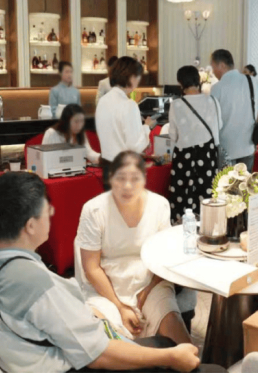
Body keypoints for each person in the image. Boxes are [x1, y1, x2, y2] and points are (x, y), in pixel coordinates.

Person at [0, 171, 202, 372]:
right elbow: (99, 354)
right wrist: (170, 357)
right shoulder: (41, 286)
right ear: (30, 225)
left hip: (29, 358)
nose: (51, 213)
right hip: (75, 366)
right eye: (46, 209)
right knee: (171, 349)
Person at [76, 151, 192, 346]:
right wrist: (120, 306)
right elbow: (91, 268)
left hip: (151, 283)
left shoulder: (159, 205)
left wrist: (148, 291)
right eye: (121, 179)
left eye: (135, 179)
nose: (127, 186)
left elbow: (164, 259)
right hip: (106, 289)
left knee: (182, 341)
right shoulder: (94, 210)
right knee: (106, 345)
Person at [167, 66, 222, 221]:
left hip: (184, 156)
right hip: (207, 154)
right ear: (198, 81)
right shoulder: (212, 101)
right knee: (206, 193)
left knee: (183, 194)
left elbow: (173, 135)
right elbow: (219, 126)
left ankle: (182, 224)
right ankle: (208, 225)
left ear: (181, 83)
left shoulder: (176, 104)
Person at [95, 57, 156, 190]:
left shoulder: (103, 101)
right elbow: (134, 146)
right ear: (131, 77)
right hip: (124, 170)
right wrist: (147, 127)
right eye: (138, 77)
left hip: (107, 167)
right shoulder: (129, 105)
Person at [210, 50, 258, 171]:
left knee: (227, 183)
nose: (213, 71)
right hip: (248, 147)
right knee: (245, 182)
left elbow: (212, 119)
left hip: (226, 149)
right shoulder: (252, 81)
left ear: (222, 65)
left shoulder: (217, 88)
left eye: (213, 67)